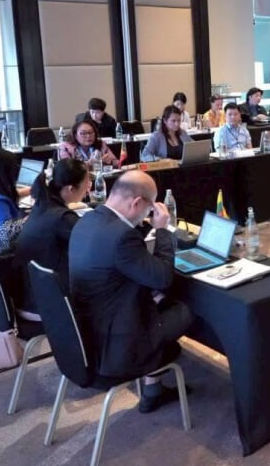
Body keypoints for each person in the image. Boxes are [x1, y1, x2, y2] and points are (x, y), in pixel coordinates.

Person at [69, 170, 195, 411]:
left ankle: (153, 388)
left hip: (87, 334)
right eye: (149, 210)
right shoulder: (121, 237)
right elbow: (163, 278)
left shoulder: (86, 220)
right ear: (136, 203)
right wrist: (162, 230)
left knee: (156, 300)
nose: (148, 216)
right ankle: (153, 370)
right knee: (188, 308)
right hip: (119, 346)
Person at [13, 158, 90, 315]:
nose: (89, 186)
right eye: (86, 182)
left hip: (29, 294)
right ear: (70, 189)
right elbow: (95, 244)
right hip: (45, 306)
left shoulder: (42, 204)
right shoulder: (62, 218)